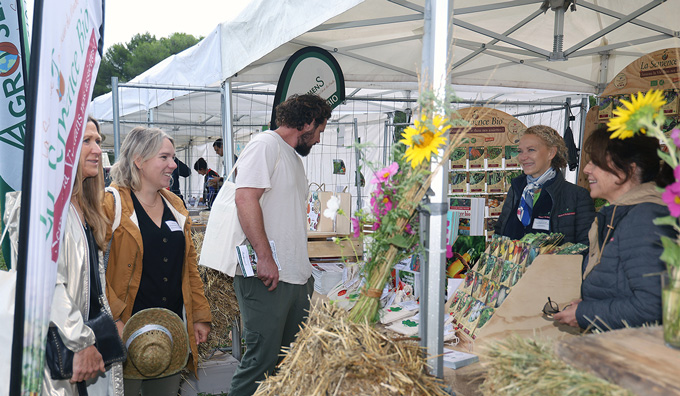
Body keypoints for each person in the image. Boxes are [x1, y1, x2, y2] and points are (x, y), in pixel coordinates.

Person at [229, 94, 332, 396]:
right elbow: (245, 198)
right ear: (308, 123)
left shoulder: (292, 157)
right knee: (260, 364)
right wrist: (265, 257)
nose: (319, 139)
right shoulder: (265, 145)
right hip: (269, 278)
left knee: (289, 365)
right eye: (321, 130)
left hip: (294, 277)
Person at [104, 126, 212, 395]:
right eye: (164, 157)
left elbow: (189, 268)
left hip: (169, 333)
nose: (173, 165)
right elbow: (94, 270)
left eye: (173, 158)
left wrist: (199, 316)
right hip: (125, 330)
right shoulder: (111, 203)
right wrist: (114, 319)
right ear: (138, 160)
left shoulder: (175, 205)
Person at [554, 127, 676, 330]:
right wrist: (588, 306)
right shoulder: (619, 215)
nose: (586, 169)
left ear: (627, 169)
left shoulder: (645, 218)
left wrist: (585, 314)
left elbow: (655, 308)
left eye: (596, 162)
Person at [42, 116, 124, 395]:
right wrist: (81, 341)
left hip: (86, 351)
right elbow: (45, 281)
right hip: (58, 355)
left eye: (98, 141)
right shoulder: (44, 206)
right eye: (85, 141)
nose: (98, 150)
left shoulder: (87, 208)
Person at [494, 125, 594, 244]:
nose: (523, 157)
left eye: (531, 150)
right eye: (520, 151)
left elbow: (586, 246)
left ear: (551, 153)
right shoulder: (516, 189)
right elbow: (500, 233)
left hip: (555, 263)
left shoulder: (577, 196)